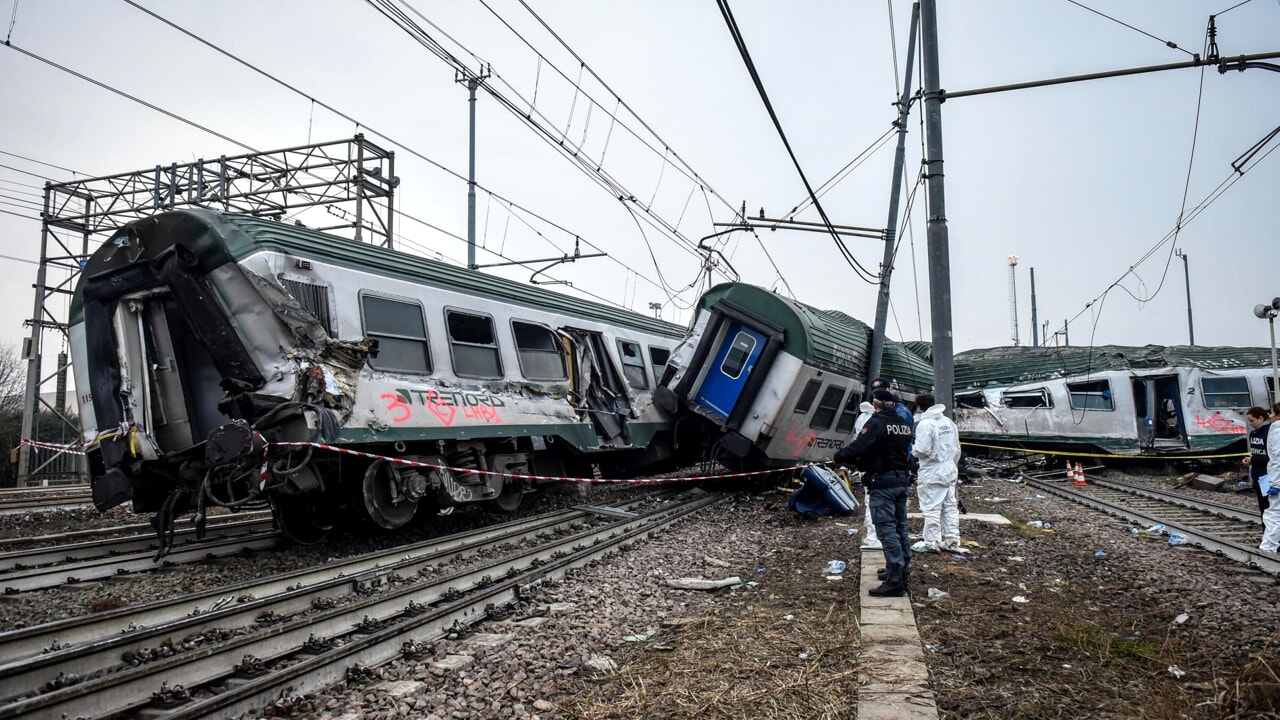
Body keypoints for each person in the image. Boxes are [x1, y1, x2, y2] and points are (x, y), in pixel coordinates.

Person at [834, 388, 914, 597]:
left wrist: (838, 456)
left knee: (886, 531)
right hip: (901, 481)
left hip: (883, 483)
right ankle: (902, 571)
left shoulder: (877, 422)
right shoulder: (903, 425)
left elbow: (861, 447)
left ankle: (895, 580)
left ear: (876, 404)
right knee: (900, 528)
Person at [912, 393, 962, 553]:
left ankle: (931, 541)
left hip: (932, 470)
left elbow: (922, 450)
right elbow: (957, 448)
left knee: (932, 507)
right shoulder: (948, 422)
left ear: (920, 407)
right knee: (950, 506)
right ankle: (952, 540)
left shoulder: (925, 424)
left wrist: (911, 450)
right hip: (949, 467)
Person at [851, 401, 882, 550]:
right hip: (881, 467)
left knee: (871, 501)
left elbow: (859, 444)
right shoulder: (880, 420)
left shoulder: (862, 420)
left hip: (869, 466)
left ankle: (873, 537)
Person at [1243, 406, 1270, 514]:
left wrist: (1253, 460)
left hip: (1267, 475)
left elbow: (1272, 457)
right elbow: (1254, 453)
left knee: (1269, 507)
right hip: (1257, 475)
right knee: (1263, 507)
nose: (1250, 423)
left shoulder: (1269, 432)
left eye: (1252, 421)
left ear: (1261, 418)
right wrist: (1250, 460)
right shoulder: (1253, 433)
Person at [1262, 403, 1280, 554]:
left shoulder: (1278, 430)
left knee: (1274, 514)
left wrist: (1274, 483)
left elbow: (1278, 458)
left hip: (1278, 480)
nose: (1270, 415)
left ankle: (1268, 548)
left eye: (1272, 413)